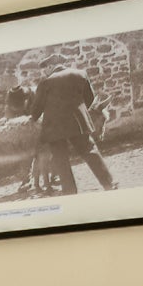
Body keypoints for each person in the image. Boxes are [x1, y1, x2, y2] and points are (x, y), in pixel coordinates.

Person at [33, 66, 117, 194]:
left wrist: (33, 117)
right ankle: (109, 183)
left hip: (54, 126)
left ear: (51, 69)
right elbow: (90, 99)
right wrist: (78, 112)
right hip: (77, 121)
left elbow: (36, 110)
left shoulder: (45, 83)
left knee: (60, 159)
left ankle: (70, 191)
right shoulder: (81, 74)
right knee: (89, 150)